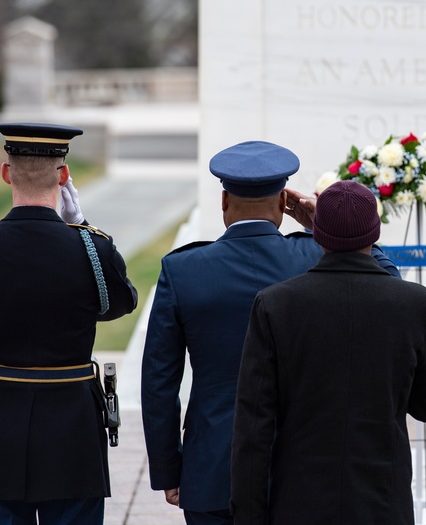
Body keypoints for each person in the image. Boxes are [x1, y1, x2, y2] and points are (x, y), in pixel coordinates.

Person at [140, 141, 398, 525]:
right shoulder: (315, 257)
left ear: (224, 201)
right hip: (308, 467)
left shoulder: (184, 270)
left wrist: (168, 469)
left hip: (214, 468)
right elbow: (388, 287)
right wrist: (318, 225)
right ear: (282, 203)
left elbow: (159, 382)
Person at [0, 123, 138, 524]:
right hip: (75, 436)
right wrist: (82, 228)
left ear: (6, 173)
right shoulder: (92, 249)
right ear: (63, 177)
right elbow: (121, 302)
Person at [230, 180, 426, 523]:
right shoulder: (416, 304)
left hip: (300, 503)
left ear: (317, 236)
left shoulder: (276, 304)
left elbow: (253, 427)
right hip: (382, 502)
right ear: (374, 235)